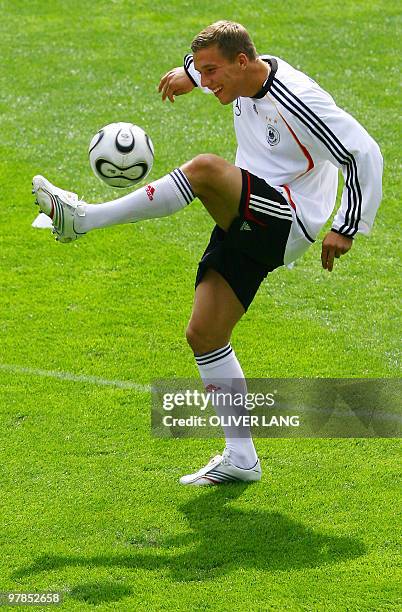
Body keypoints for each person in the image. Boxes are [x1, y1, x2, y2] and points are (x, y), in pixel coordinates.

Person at [32, 21, 383, 486]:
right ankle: (242, 460)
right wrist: (190, 76)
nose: (208, 81)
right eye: (203, 72)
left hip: (287, 219)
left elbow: (364, 152)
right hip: (249, 212)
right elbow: (213, 67)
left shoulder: (299, 100)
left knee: (204, 171)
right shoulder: (239, 74)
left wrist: (348, 226)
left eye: (212, 72)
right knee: (204, 334)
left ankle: (84, 218)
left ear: (242, 62)